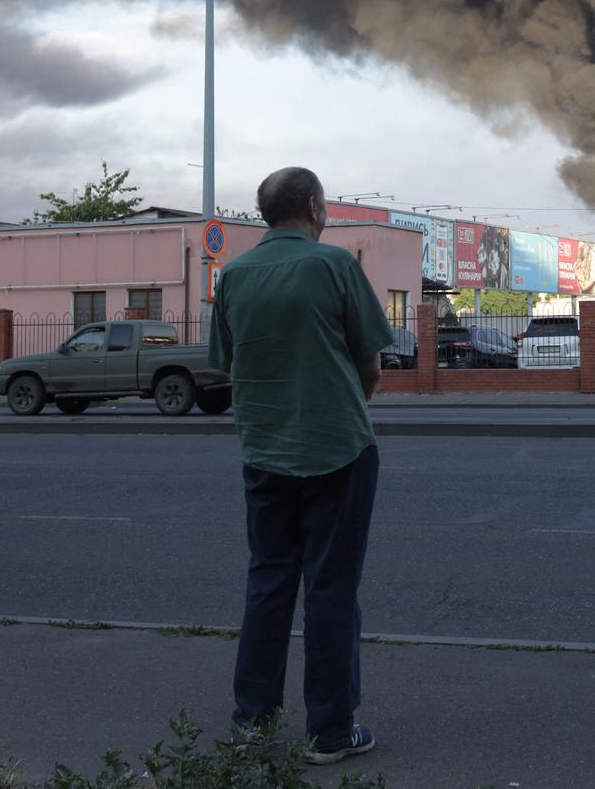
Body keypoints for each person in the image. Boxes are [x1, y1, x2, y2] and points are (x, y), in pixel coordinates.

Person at [207, 166, 394, 766]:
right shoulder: (334, 266)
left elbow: (229, 366)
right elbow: (371, 366)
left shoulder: (232, 276)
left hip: (263, 452)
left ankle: (253, 726)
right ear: (315, 207)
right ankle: (331, 733)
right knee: (331, 590)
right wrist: (339, 405)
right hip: (337, 449)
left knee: (268, 584)